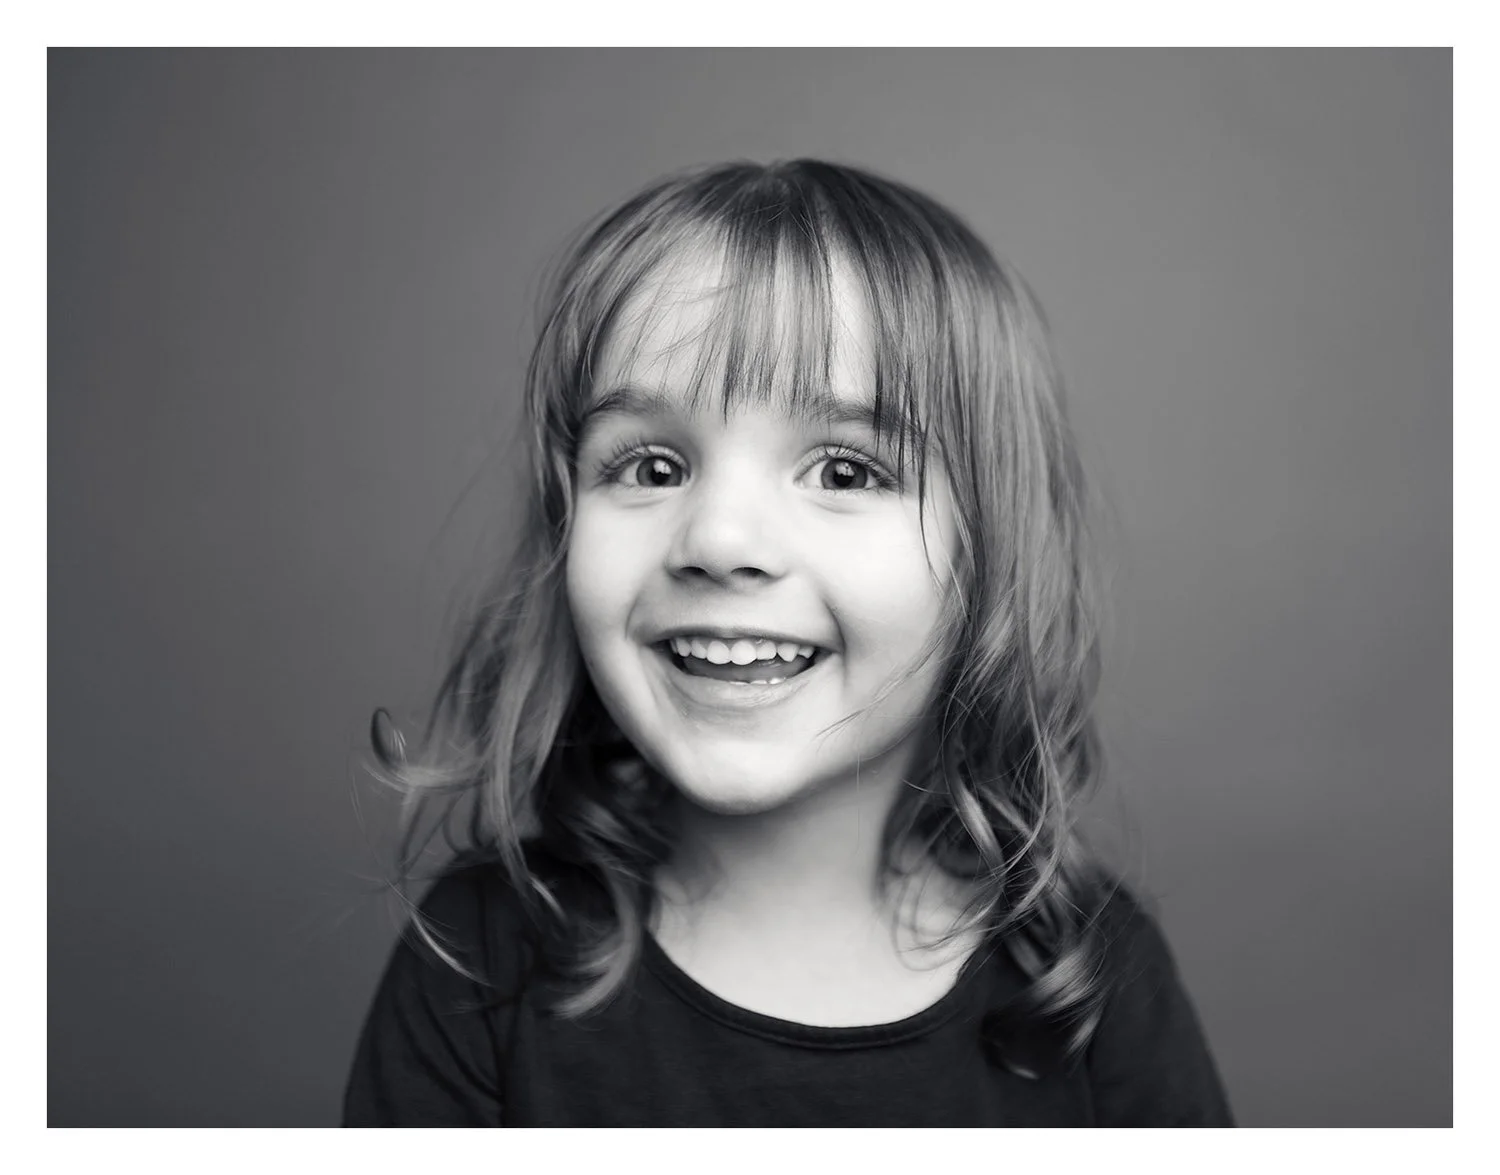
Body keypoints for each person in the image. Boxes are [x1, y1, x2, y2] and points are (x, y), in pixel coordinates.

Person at [342, 159, 1234, 1127]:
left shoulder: (1087, 980)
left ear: (991, 558)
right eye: (650, 464)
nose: (719, 540)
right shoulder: (481, 963)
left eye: (845, 469)